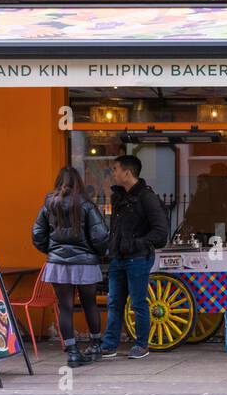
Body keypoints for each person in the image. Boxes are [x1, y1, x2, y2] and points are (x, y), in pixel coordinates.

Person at [32, 166, 110, 368]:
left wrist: (51, 251)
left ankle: (72, 352)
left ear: (58, 182)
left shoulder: (49, 205)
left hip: (58, 264)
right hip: (85, 263)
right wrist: (97, 253)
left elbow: (37, 234)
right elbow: (100, 236)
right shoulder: (86, 205)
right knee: (89, 304)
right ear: (79, 183)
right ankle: (95, 345)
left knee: (65, 307)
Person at [99, 154, 170, 360]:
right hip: (118, 257)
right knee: (114, 302)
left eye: (115, 169)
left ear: (127, 173)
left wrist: (136, 243)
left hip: (138, 258)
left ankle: (141, 344)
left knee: (138, 302)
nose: (113, 173)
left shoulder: (146, 197)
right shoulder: (119, 196)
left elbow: (160, 232)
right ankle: (109, 345)